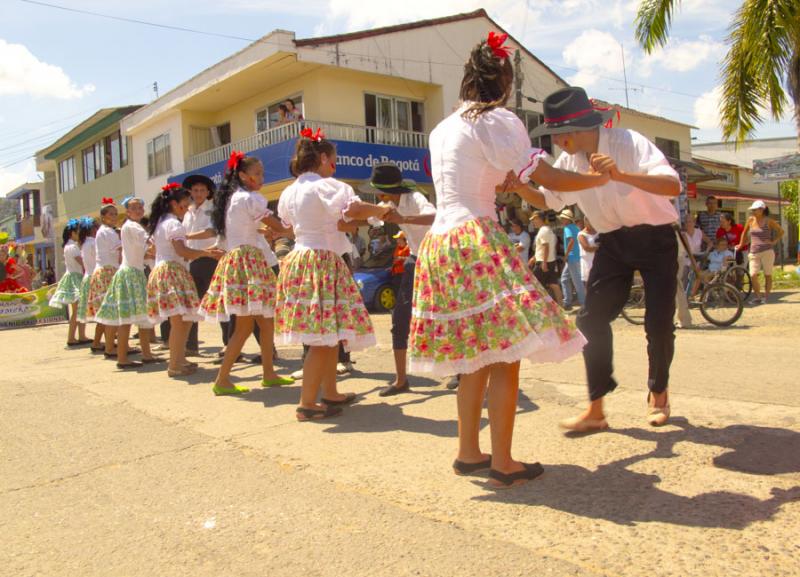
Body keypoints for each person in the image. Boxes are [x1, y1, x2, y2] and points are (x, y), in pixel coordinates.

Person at [410, 35, 607, 489]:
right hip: (473, 237)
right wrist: (594, 177)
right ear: (503, 81)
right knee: (508, 351)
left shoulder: (444, 127)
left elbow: (478, 176)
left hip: (440, 241)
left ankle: (468, 452)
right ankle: (503, 461)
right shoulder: (496, 120)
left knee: (475, 355)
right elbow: (546, 176)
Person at [516, 85, 682, 431]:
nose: (557, 143)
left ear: (579, 129)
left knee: (659, 323)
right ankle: (596, 408)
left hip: (656, 237)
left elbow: (672, 187)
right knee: (590, 320)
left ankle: (659, 393)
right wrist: (518, 186)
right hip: (613, 241)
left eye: (559, 134)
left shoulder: (628, 142)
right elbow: (548, 201)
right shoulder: (567, 161)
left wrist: (620, 175)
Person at [275, 131, 390, 421]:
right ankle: (306, 404)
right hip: (320, 261)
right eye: (333, 160)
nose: (333, 166)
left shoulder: (291, 190)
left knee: (327, 334)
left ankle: (330, 392)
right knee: (321, 338)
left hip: (301, 258)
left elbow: (327, 222)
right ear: (323, 158)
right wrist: (381, 209)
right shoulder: (327, 186)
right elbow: (352, 210)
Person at [200, 152, 294, 394]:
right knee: (245, 326)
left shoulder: (235, 198)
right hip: (248, 262)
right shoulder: (251, 198)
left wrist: (269, 231)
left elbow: (252, 228)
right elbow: (280, 227)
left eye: (262, 173)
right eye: (257, 173)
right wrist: (299, 229)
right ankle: (222, 380)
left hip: (240, 259)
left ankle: (269, 372)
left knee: (265, 322)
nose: (261, 177)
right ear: (243, 175)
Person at [361, 162, 437, 397]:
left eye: (379, 192)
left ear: (390, 190)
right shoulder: (387, 204)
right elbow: (368, 218)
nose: (379, 197)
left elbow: (435, 216)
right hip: (415, 260)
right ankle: (401, 379)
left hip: (436, 259)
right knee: (400, 317)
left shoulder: (414, 198)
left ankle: (460, 372)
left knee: (444, 316)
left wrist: (405, 218)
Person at [147, 184, 222, 377]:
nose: (187, 205)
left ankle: (179, 359)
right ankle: (175, 365)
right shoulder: (173, 224)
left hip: (168, 270)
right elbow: (182, 251)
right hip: (172, 271)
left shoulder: (163, 222)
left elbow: (166, 251)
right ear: (174, 203)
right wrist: (206, 253)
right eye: (184, 202)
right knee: (181, 322)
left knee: (184, 320)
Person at [96, 197, 162, 369]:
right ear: (128, 211)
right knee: (127, 319)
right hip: (131, 274)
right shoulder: (132, 226)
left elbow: (141, 251)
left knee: (139, 317)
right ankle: (123, 358)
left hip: (133, 272)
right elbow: (151, 244)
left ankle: (145, 354)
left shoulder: (130, 227)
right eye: (134, 208)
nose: (139, 210)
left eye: (140, 207)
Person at [181, 174, 225, 357]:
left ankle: (228, 345)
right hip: (191, 260)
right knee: (191, 304)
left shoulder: (212, 209)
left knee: (219, 302)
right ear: (190, 192)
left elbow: (211, 232)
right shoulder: (187, 211)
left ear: (208, 192)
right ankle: (190, 346)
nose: (199, 193)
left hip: (209, 258)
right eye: (195, 190)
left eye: (202, 190)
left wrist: (187, 238)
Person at [87, 200, 122, 358]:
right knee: (112, 311)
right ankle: (109, 347)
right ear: (103, 217)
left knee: (106, 312)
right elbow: (120, 248)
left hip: (104, 270)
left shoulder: (105, 231)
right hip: (108, 271)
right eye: (110, 214)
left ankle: (99, 343)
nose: (114, 217)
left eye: (115, 214)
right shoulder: (108, 232)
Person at [49, 219, 90, 346]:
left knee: (79, 309)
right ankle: (72, 337)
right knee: (78, 310)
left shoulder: (69, 246)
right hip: (75, 278)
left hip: (73, 277)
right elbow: (82, 263)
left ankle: (80, 336)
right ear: (72, 233)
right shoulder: (73, 247)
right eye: (78, 232)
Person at [738, 200, 784, 304]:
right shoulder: (750, 220)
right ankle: (758, 297)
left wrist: (773, 241)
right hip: (754, 251)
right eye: (753, 210)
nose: (753, 211)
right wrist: (741, 244)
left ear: (762, 210)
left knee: (768, 274)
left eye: (755, 210)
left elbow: (781, 231)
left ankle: (766, 297)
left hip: (767, 251)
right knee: (753, 274)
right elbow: (744, 233)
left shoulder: (768, 221)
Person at [76, 217, 104, 350]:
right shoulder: (93, 243)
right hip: (96, 278)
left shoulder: (84, 244)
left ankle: (100, 341)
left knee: (100, 312)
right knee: (104, 311)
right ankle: (99, 342)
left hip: (88, 277)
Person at [529, 211, 562, 304]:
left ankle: (542, 306)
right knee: (554, 285)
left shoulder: (543, 231)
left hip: (543, 262)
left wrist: (543, 262)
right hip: (550, 261)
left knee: (536, 284)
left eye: (534, 219)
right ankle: (561, 305)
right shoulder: (548, 229)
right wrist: (534, 258)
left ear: (539, 219)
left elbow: (546, 246)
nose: (533, 222)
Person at [558, 208, 585, 310]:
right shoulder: (575, 227)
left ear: (566, 219)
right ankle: (567, 302)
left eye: (563, 218)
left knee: (577, 281)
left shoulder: (567, 228)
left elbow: (571, 241)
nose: (561, 220)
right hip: (576, 257)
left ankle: (583, 304)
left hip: (572, 257)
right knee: (564, 279)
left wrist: (565, 255)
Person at [577, 216, 599, 288]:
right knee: (589, 286)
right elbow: (587, 248)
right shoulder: (581, 234)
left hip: (599, 262)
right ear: (585, 222)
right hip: (587, 263)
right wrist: (600, 247)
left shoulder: (598, 232)